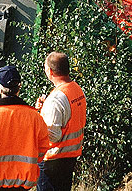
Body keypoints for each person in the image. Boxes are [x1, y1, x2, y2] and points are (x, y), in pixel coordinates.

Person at [35, 52, 87, 191]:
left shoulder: (55, 99)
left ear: (50, 71)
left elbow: (53, 135)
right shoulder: (76, 89)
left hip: (52, 159)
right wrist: (46, 109)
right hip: (70, 156)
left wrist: (37, 119)